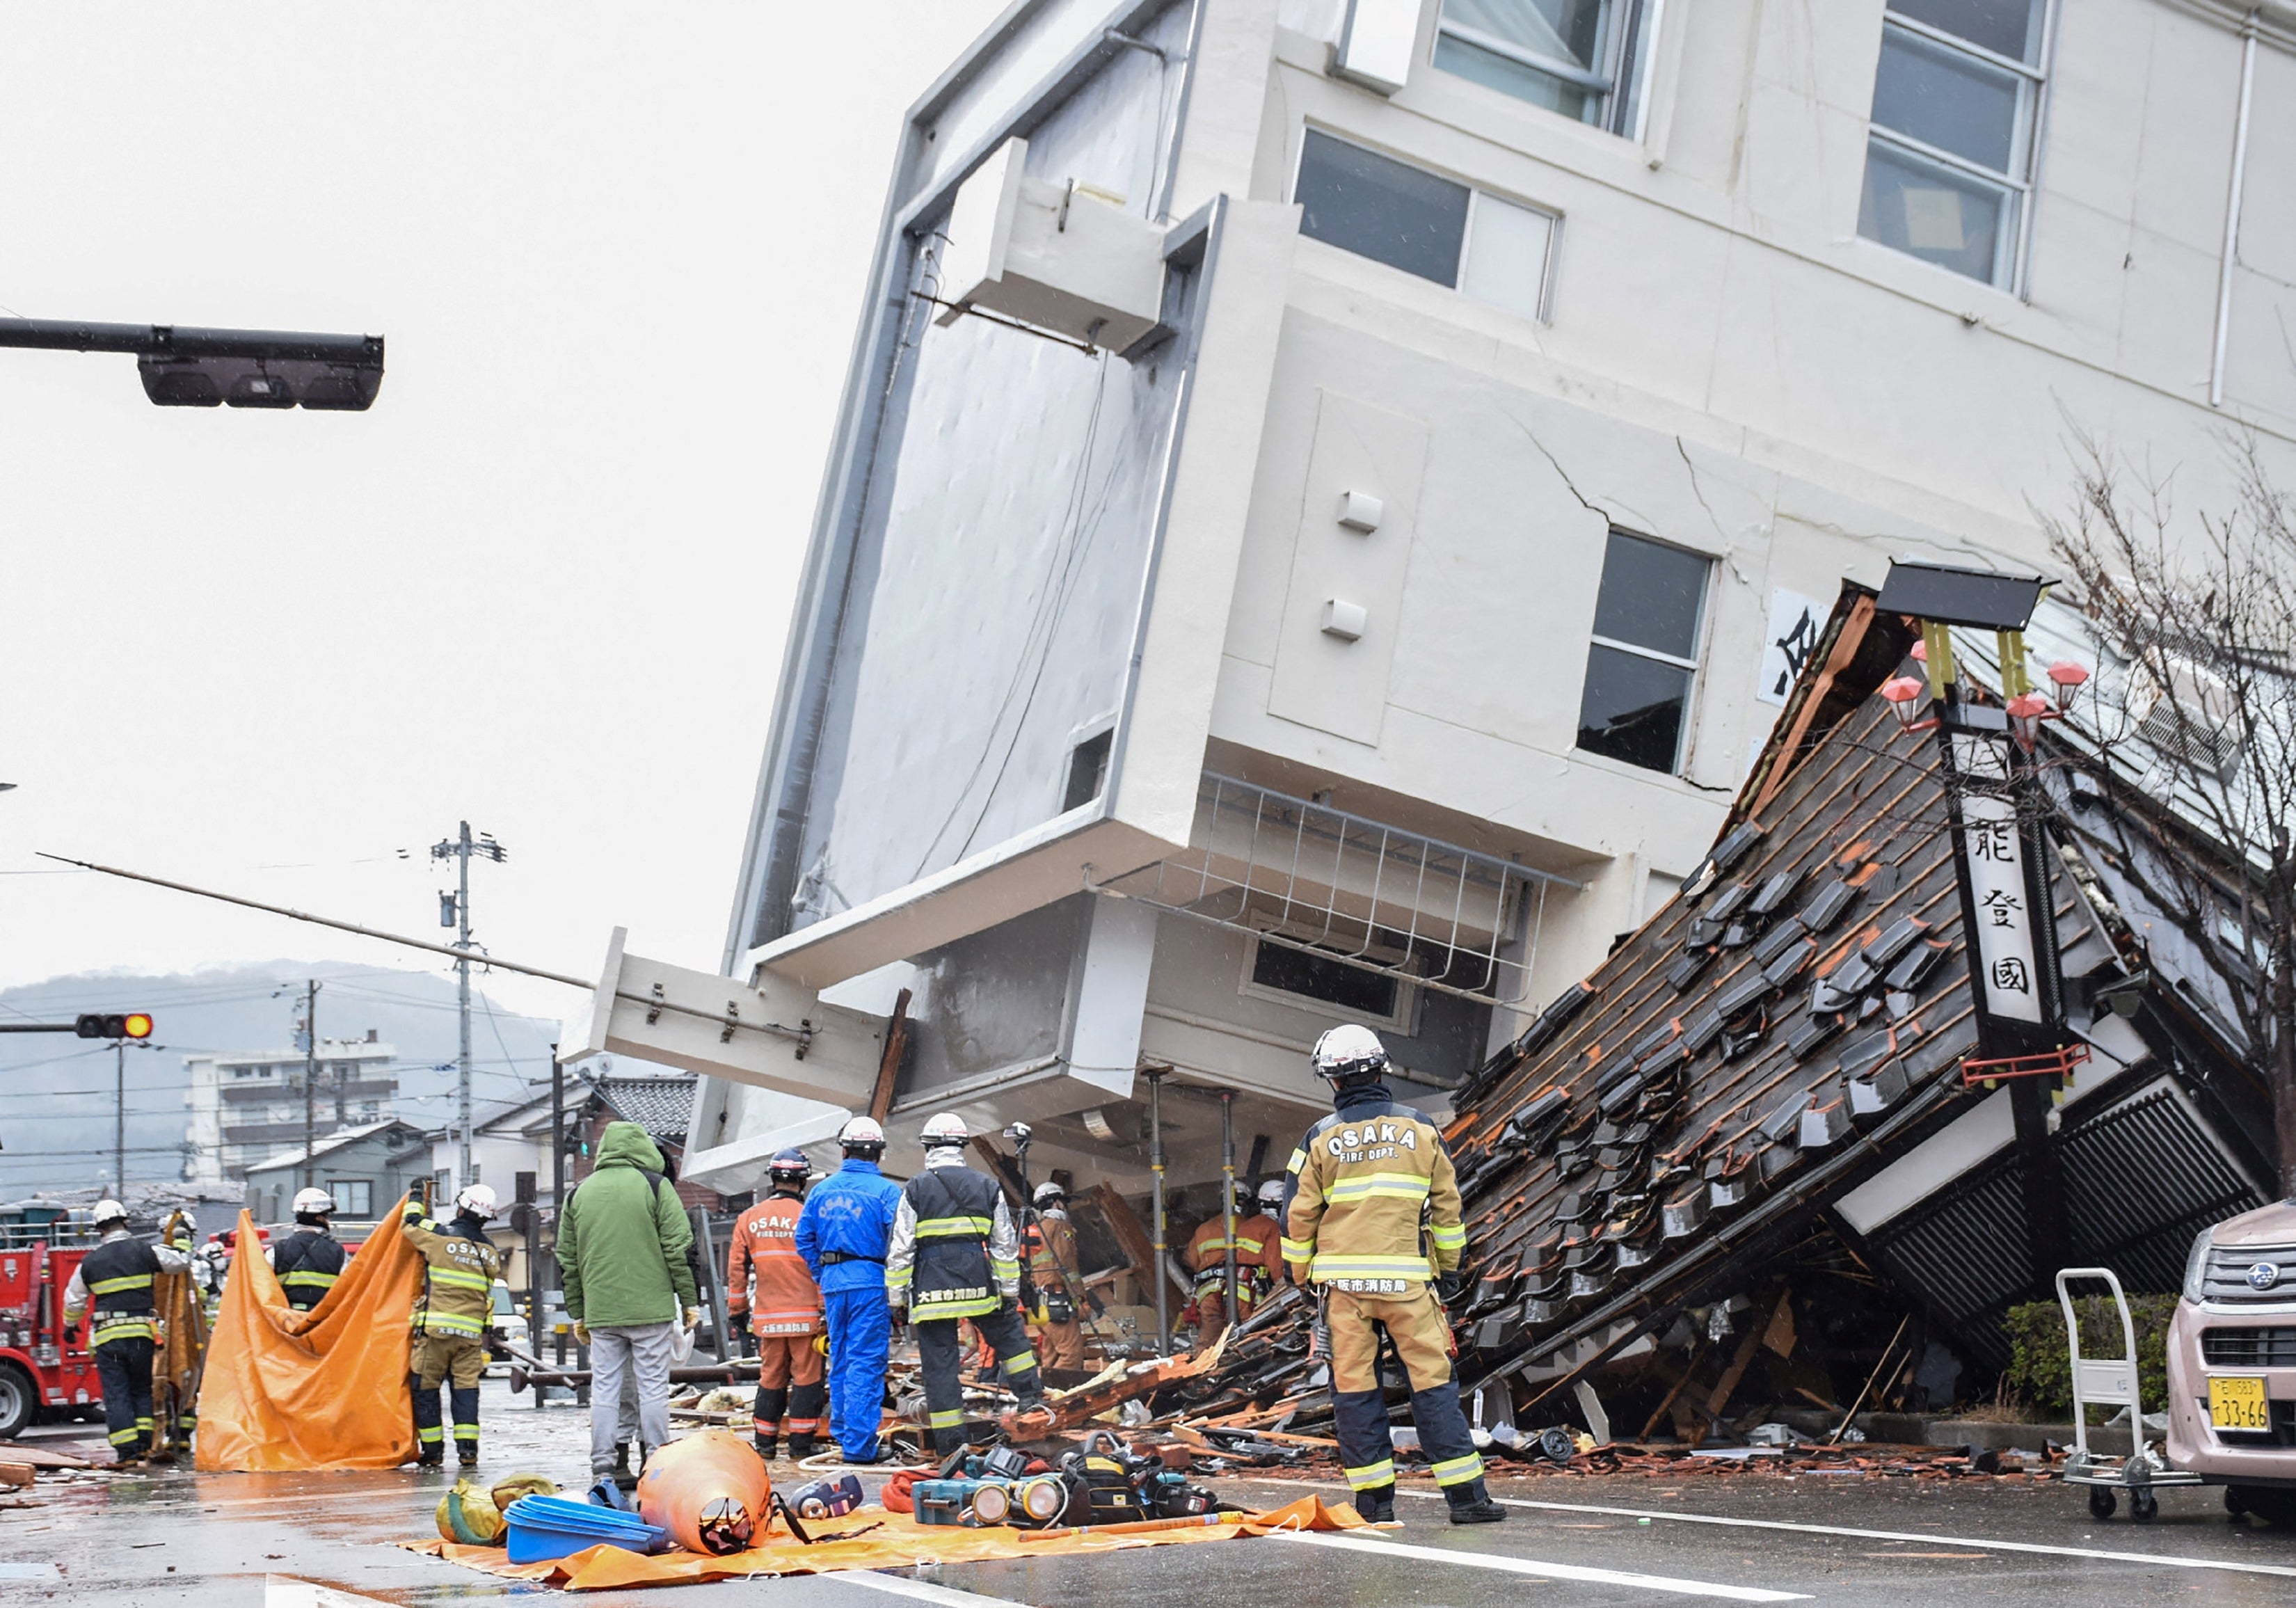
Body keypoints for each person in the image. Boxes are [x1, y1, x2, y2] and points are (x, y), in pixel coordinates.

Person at [1281, 1024, 1504, 1527]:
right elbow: (1448, 1209)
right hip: (1408, 1284)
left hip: (1344, 1292)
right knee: (1432, 1386)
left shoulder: (1318, 1138)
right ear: (1382, 1068)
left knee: (1357, 1394)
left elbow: (1297, 1217)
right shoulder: (1421, 1128)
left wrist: (1303, 1278)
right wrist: (1448, 1271)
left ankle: (1375, 1506)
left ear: (1332, 1080)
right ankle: (1467, 1499)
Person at [885, 1113, 1046, 1456]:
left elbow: (901, 1249)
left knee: (940, 1368)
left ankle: (951, 1444)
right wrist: (1008, 1292)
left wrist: (896, 1298)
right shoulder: (986, 1185)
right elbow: (1004, 1245)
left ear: (928, 1147)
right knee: (1009, 1337)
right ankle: (1031, 1398)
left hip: (931, 1291)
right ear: (961, 1146)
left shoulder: (916, 1188)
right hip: (977, 1283)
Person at [559, 1121, 700, 1483]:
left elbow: (568, 1259)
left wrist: (578, 1312)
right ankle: (657, 1464)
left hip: (602, 1312)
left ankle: (603, 1467)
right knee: (652, 1387)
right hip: (650, 1309)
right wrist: (689, 1299)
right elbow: (679, 1247)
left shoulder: (578, 1194)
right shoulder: (656, 1187)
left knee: (605, 1388)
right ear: (642, 1150)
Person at [795, 1116, 901, 1463]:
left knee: (839, 1358)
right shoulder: (887, 1192)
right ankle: (858, 1445)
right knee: (865, 1361)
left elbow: (804, 1238)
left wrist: (822, 1273)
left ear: (844, 1150)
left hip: (834, 1283)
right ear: (879, 1154)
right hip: (870, 1281)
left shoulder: (821, 1191)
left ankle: (844, 1434)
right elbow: (900, 1243)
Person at [63, 1200, 193, 1466]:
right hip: (141, 1336)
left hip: (109, 1339)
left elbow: (73, 1299)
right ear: (126, 1222)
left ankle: (126, 1452)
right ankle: (145, 1444)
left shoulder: (89, 1263)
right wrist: (181, 1240)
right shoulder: (144, 1251)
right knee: (141, 1390)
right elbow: (180, 1262)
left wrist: (69, 1325)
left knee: (117, 1393)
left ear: (99, 1228)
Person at [727, 1147, 825, 1461]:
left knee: (771, 1378)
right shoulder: (811, 1215)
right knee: (807, 1380)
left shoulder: (748, 1219)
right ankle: (800, 1446)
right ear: (803, 1179)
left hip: (768, 1319)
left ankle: (765, 1444)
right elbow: (823, 1265)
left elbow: (737, 1270)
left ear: (772, 1179)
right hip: (806, 1318)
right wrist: (825, 1310)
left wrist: (738, 1312)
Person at [402, 1184, 505, 1467]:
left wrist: (415, 1196)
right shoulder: (490, 1251)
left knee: (425, 1390)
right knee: (465, 1391)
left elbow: (409, 1224)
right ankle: (468, 1451)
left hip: (436, 1333)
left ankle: (433, 1452)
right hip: (470, 1337)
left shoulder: (439, 1236)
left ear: (461, 1206)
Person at [1022, 1181, 1087, 1371]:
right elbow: (1067, 1266)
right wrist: (1080, 1297)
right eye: (1063, 1202)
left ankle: (1044, 1394)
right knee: (1071, 1354)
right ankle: (1061, 1398)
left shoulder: (1037, 1229)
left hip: (1039, 1304)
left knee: (1050, 1357)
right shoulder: (1060, 1228)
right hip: (1057, 1301)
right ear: (1056, 1203)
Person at [1185, 1181, 1260, 1339]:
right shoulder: (1251, 1226)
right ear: (1243, 1202)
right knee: (1251, 1338)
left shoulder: (1204, 1229)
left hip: (1209, 1293)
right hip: (1244, 1293)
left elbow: (1191, 1260)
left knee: (1208, 1344)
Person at [268, 1187, 346, 1312]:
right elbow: (350, 1289)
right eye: (327, 1216)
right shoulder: (338, 1253)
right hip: (322, 1323)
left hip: (285, 1322)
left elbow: (261, 1286)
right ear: (319, 1218)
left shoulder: (277, 1251)